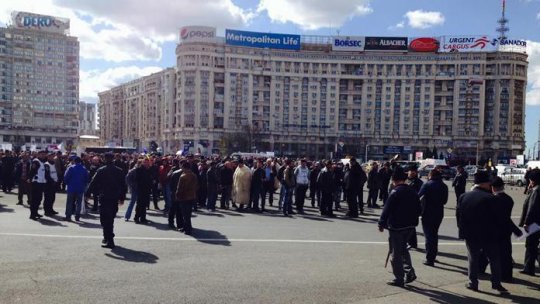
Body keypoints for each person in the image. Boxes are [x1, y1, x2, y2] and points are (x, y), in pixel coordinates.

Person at [456, 171, 508, 294]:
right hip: (489, 235)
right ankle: (496, 283)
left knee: (473, 258)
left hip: (470, 234)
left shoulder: (464, 196)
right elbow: (498, 218)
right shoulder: (491, 198)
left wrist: (462, 231)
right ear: (485, 183)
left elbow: (459, 216)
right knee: (494, 259)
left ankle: (472, 282)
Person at [378, 167, 421, 287]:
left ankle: (399, 278)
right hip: (410, 226)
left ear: (395, 180)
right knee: (403, 249)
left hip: (397, 226)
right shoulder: (412, 191)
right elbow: (419, 209)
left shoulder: (395, 192)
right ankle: (409, 271)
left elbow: (387, 209)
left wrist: (381, 223)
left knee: (395, 253)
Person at [479, 177, 522, 282]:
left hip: (492, 231)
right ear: (503, 186)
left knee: (485, 251)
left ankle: (479, 269)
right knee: (506, 254)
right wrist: (516, 230)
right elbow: (506, 218)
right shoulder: (509, 199)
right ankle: (506, 275)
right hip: (505, 231)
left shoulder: (490, 199)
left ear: (492, 187)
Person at [86, 152, 127, 249]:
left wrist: (87, 194)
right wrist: (122, 197)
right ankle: (106, 237)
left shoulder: (101, 170)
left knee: (105, 220)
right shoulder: (119, 171)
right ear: (112, 159)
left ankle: (110, 240)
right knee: (110, 218)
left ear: (104, 159)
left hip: (104, 197)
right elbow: (123, 186)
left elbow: (93, 182)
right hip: (114, 197)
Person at [418, 169, 448, 266]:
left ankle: (430, 259)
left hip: (427, 212)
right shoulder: (444, 186)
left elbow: (419, 196)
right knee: (434, 234)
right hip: (439, 212)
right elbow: (444, 201)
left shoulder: (427, 185)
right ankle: (433, 255)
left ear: (430, 175)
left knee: (429, 236)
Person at [519, 168, 540, 276]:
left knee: (531, 245)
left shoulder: (536, 191)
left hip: (534, 223)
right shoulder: (535, 189)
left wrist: (526, 222)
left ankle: (528, 268)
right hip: (537, 223)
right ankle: (528, 267)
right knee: (532, 245)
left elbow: (531, 208)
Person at [175, 160, 198, 235]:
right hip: (191, 196)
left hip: (184, 197)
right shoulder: (194, 175)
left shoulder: (183, 176)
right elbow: (196, 186)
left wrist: (177, 196)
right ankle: (187, 227)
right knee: (188, 214)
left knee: (185, 214)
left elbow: (179, 188)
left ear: (184, 167)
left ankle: (187, 229)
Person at [63, 156, 89, 221]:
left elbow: (66, 177)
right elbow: (87, 179)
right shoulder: (84, 169)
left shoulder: (71, 168)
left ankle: (68, 216)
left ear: (74, 161)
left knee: (69, 202)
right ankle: (77, 216)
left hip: (71, 187)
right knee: (79, 202)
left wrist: (67, 183)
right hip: (80, 188)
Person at [28, 151, 48, 220]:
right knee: (34, 199)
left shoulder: (42, 161)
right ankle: (32, 215)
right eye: (42, 154)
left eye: (44, 154)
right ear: (38, 154)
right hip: (36, 183)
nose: (43, 155)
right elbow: (32, 171)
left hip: (41, 183)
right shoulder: (36, 161)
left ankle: (35, 212)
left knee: (39, 199)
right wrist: (30, 179)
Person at [407, 166, 423, 249]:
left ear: (415, 173)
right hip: (407, 206)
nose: (410, 174)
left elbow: (420, 195)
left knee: (411, 226)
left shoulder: (419, 182)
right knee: (409, 225)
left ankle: (412, 243)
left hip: (413, 207)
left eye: (412, 172)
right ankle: (411, 242)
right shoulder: (407, 180)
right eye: (409, 172)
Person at [134, 158, 153, 224]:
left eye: (147, 162)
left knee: (144, 204)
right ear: (142, 163)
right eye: (145, 162)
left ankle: (143, 218)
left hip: (147, 189)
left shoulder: (149, 170)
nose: (146, 163)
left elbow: (151, 178)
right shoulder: (139, 169)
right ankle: (136, 218)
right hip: (140, 189)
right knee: (139, 204)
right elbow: (136, 179)